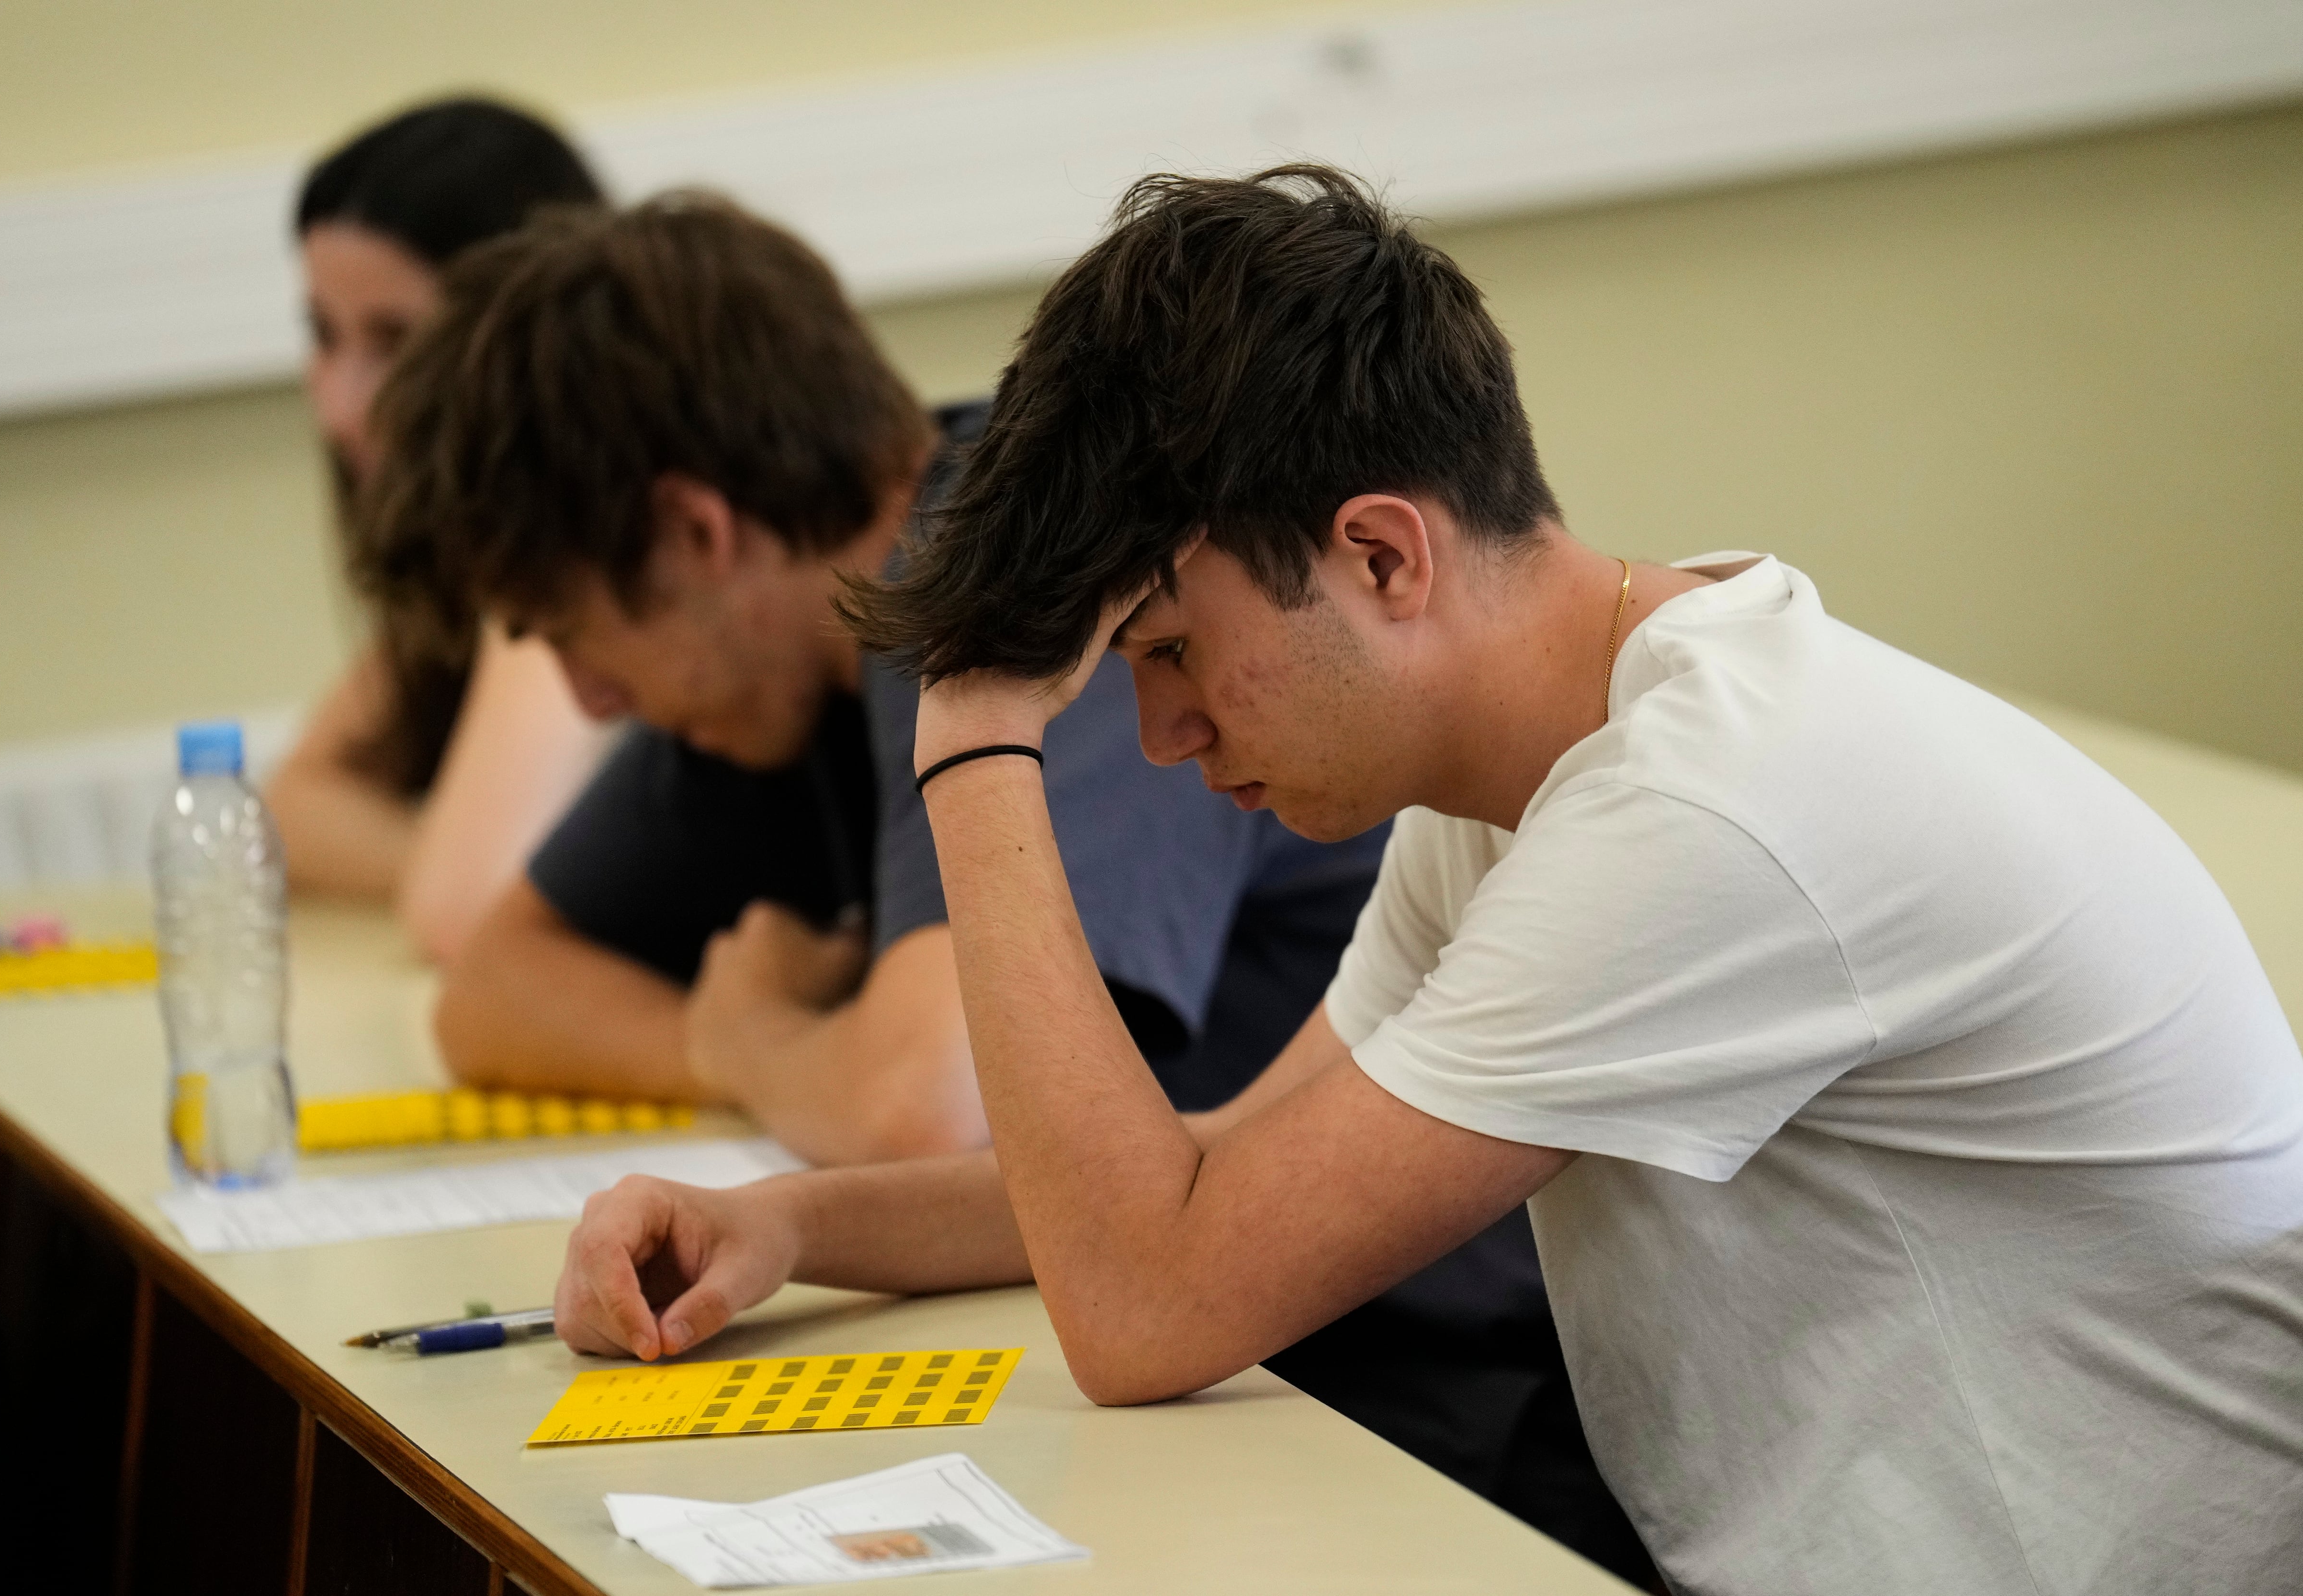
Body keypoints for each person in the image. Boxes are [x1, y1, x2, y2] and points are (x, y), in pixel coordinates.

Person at [555, 167, 2303, 1595]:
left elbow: (1152, 1308)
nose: (1157, 738)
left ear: (1382, 552)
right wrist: (794, 1226)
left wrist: (977, 751)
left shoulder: (1707, 809)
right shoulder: (1533, 772)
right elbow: (1210, 1178)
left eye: (1167, 652)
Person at [365, 191, 1650, 1579]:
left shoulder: (1058, 587)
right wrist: (785, 1210)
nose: (589, 697)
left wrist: (787, 998)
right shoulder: (1460, 820)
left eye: (578, 631)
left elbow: (996, 1163)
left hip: (1432, 1399)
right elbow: (491, 989)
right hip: (1256, 1336)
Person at [266, 96, 611, 961]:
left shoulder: (583, 542)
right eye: (322, 334)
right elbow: (288, 807)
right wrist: (445, 852)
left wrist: (457, 862)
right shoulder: (459, 556)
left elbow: (461, 905)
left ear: (522, 339)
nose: (343, 406)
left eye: (396, 342)